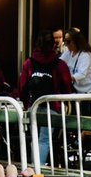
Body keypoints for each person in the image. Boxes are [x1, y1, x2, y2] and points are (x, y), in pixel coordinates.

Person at [17, 29, 73, 166]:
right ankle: (39, 171)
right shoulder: (59, 64)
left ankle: (31, 170)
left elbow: (22, 87)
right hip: (52, 107)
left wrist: (26, 104)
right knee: (44, 140)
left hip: (33, 105)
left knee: (34, 139)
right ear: (52, 45)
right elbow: (67, 87)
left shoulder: (29, 63)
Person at [60, 27, 91, 95]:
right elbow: (59, 63)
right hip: (81, 91)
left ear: (75, 42)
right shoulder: (68, 53)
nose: (66, 44)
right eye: (65, 41)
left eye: (68, 41)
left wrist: (66, 78)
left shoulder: (85, 55)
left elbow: (81, 74)